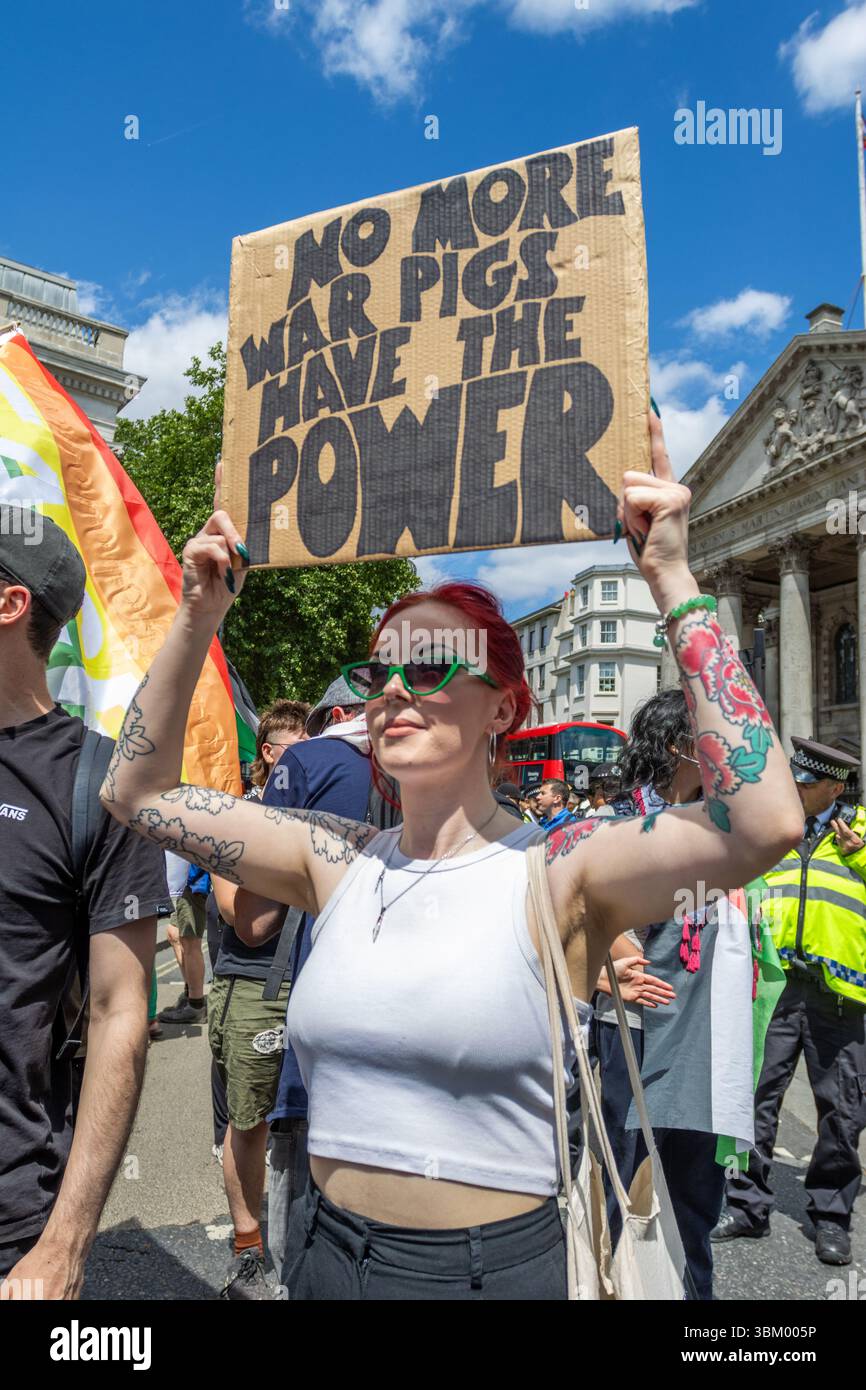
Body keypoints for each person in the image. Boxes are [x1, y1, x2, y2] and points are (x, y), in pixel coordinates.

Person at [101, 412, 803, 1301]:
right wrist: (200, 612)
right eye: (378, 671)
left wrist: (667, 574)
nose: (394, 689)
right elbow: (137, 793)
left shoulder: (561, 868)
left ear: (504, 709)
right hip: (319, 1251)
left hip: (484, 1276)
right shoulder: (338, 860)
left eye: (431, 667)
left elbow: (763, 824)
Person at [0, 506, 170, 1295]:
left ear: (11, 603)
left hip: (11, 1222)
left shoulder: (95, 788)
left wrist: (64, 1248)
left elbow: (118, 1015)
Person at [590, 687, 756, 1299]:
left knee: (692, 1215)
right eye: (713, 737)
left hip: (706, 1052)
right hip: (634, 1050)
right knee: (619, 1203)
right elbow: (571, 929)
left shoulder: (726, 831)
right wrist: (604, 965)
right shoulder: (614, 830)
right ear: (677, 747)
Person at [231, 677, 385, 1290]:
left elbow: (254, 918)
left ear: (336, 715)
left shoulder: (309, 760)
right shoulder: (446, 774)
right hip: (419, 1039)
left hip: (321, 1008)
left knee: (303, 1195)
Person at [713, 737, 866, 1267]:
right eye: (794, 781)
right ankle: (746, 1206)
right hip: (771, 989)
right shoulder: (773, 829)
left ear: (836, 788)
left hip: (840, 998)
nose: (795, 790)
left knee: (842, 1114)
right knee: (753, 1101)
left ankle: (831, 1217)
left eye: (807, 785)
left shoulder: (863, 832)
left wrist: (860, 855)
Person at [205, 699, 314, 1297]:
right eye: (300, 749)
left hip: (317, 983)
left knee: (308, 1122)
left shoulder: (329, 814)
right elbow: (237, 914)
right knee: (249, 1122)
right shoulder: (237, 817)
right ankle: (248, 1245)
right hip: (255, 988)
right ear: (271, 755)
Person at [158, 857, 211, 1025]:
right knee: (174, 934)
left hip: (192, 879)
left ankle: (196, 1005)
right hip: (182, 880)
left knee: (190, 941)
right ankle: (190, 993)